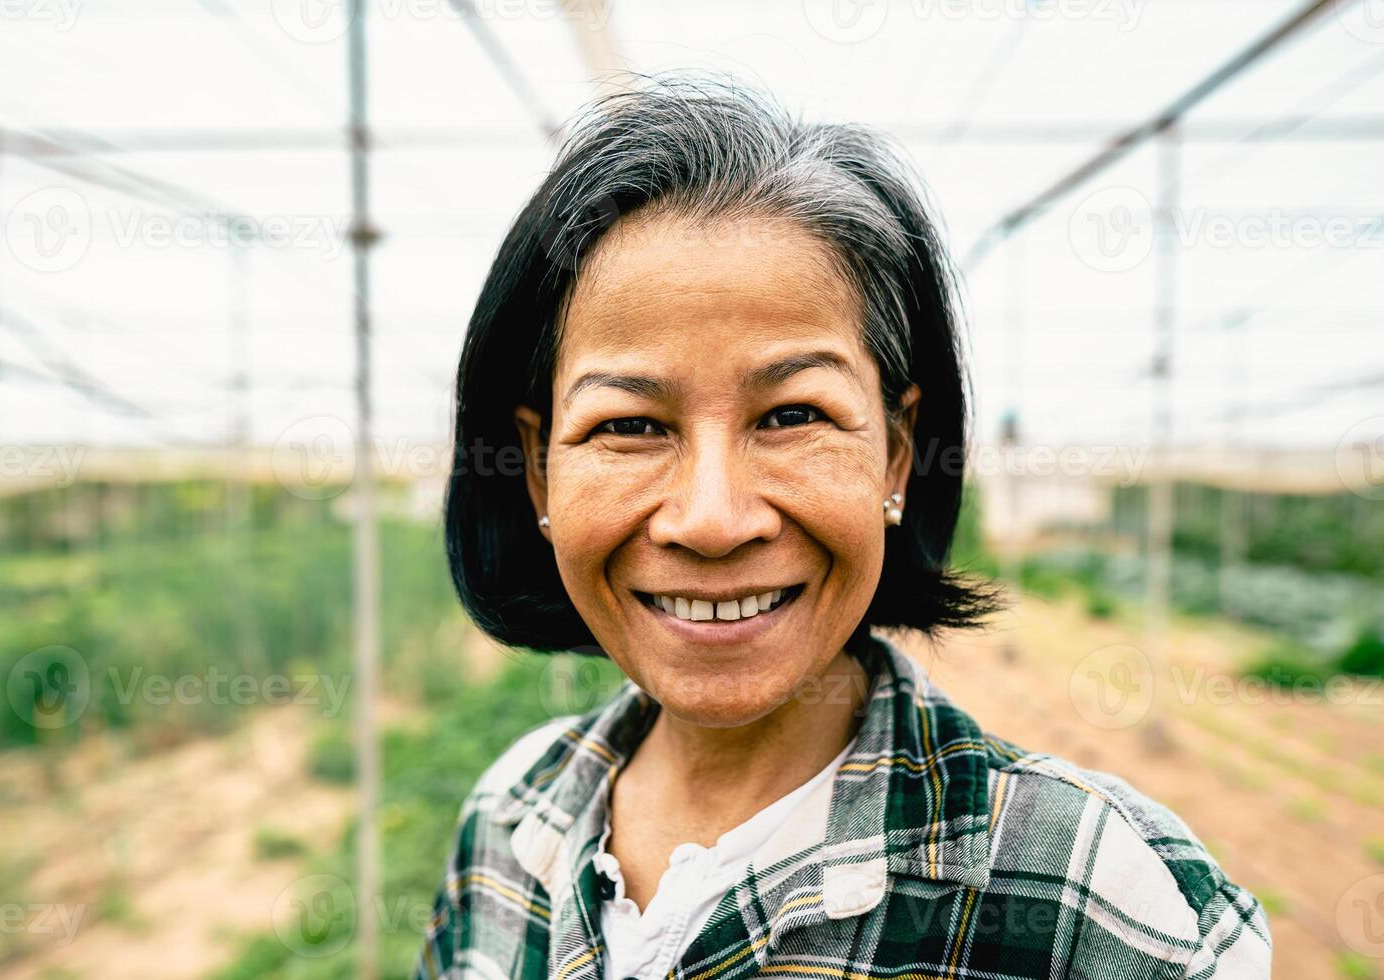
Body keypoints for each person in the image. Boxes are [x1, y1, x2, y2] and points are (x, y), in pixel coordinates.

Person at [419, 75, 1271, 980]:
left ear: (897, 456)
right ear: (540, 467)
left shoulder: (1093, 900)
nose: (713, 520)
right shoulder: (512, 823)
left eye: (792, 416)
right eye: (629, 425)